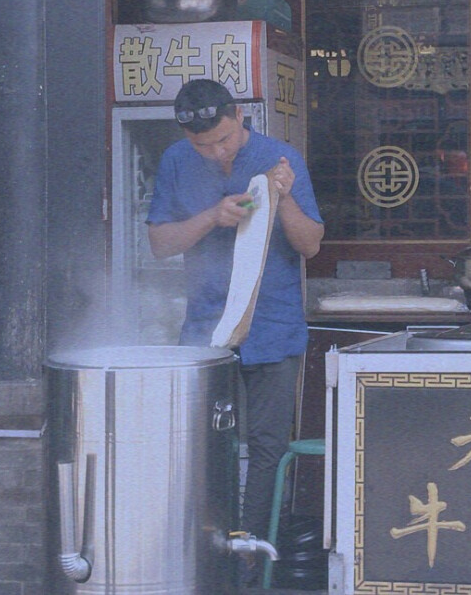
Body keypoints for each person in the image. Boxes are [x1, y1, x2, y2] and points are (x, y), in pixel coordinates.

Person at [146, 78, 324, 576]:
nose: (216, 151)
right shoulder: (176, 163)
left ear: (240, 116)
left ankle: (251, 569)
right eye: (203, 144)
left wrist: (282, 197)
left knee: (267, 449)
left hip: (273, 325)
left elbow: (310, 245)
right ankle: (203, 561)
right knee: (202, 445)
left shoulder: (279, 156)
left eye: (223, 139)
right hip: (205, 330)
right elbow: (161, 243)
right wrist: (212, 216)